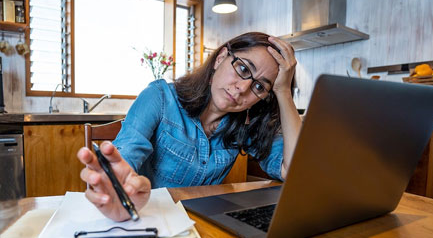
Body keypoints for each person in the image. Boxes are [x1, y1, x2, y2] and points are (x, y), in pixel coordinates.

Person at [77, 32, 302, 221]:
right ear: (221, 57)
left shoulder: (246, 124)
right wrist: (116, 186)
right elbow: (126, 154)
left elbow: (295, 171)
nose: (242, 88)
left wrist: (283, 92)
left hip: (202, 224)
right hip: (149, 218)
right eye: (243, 69)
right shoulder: (159, 98)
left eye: (259, 87)